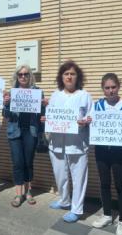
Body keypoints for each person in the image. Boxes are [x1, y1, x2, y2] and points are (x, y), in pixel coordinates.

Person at [45, 60, 92, 223]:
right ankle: (64, 201)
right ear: (61, 77)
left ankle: (77, 209)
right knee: (61, 176)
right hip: (57, 144)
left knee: (79, 178)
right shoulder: (55, 94)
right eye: (66, 74)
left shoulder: (85, 95)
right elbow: (50, 115)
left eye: (72, 73)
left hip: (77, 144)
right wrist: (46, 118)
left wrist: (86, 121)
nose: (69, 77)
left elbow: (91, 117)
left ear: (77, 77)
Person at [91, 73, 122, 235]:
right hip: (101, 149)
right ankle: (107, 214)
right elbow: (90, 123)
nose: (110, 91)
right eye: (107, 88)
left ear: (119, 86)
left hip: (119, 151)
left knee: (120, 185)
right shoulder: (97, 106)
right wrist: (88, 121)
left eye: (113, 87)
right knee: (104, 183)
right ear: (103, 89)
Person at [3, 64, 44, 207]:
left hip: (31, 131)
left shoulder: (38, 92)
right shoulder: (11, 93)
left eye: (26, 74)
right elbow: (6, 115)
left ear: (30, 76)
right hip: (15, 131)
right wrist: (6, 104)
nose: (23, 77)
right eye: (20, 74)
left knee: (28, 162)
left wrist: (44, 106)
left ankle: (29, 192)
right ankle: (18, 193)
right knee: (17, 162)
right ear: (17, 76)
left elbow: (42, 115)